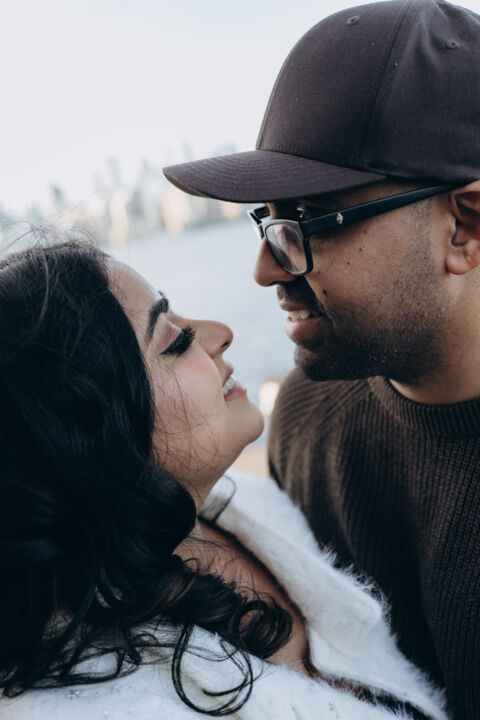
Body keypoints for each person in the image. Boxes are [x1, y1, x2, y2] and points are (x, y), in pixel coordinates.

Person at [162, 1, 480, 718]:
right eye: (270, 220)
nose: (264, 270)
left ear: (464, 226)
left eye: (308, 220)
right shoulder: (308, 414)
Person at [0, 235, 449, 720]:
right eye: (176, 341)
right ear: (88, 433)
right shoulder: (88, 709)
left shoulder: (252, 504)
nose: (220, 332)